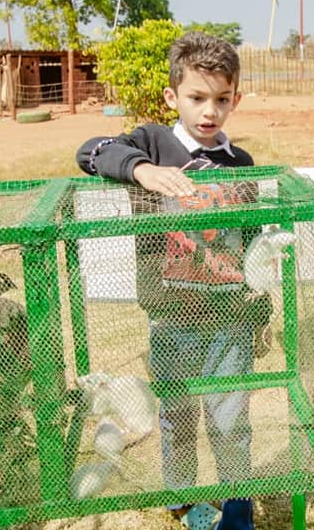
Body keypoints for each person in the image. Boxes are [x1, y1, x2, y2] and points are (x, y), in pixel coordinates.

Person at [76, 31, 263, 530]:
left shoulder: (239, 163)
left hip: (230, 319)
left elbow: (253, 243)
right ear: (171, 97)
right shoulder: (153, 143)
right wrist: (141, 171)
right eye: (197, 98)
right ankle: (181, 500)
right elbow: (91, 151)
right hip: (172, 318)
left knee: (229, 419)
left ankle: (237, 506)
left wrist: (259, 308)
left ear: (235, 100)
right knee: (178, 417)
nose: (209, 112)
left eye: (222, 100)